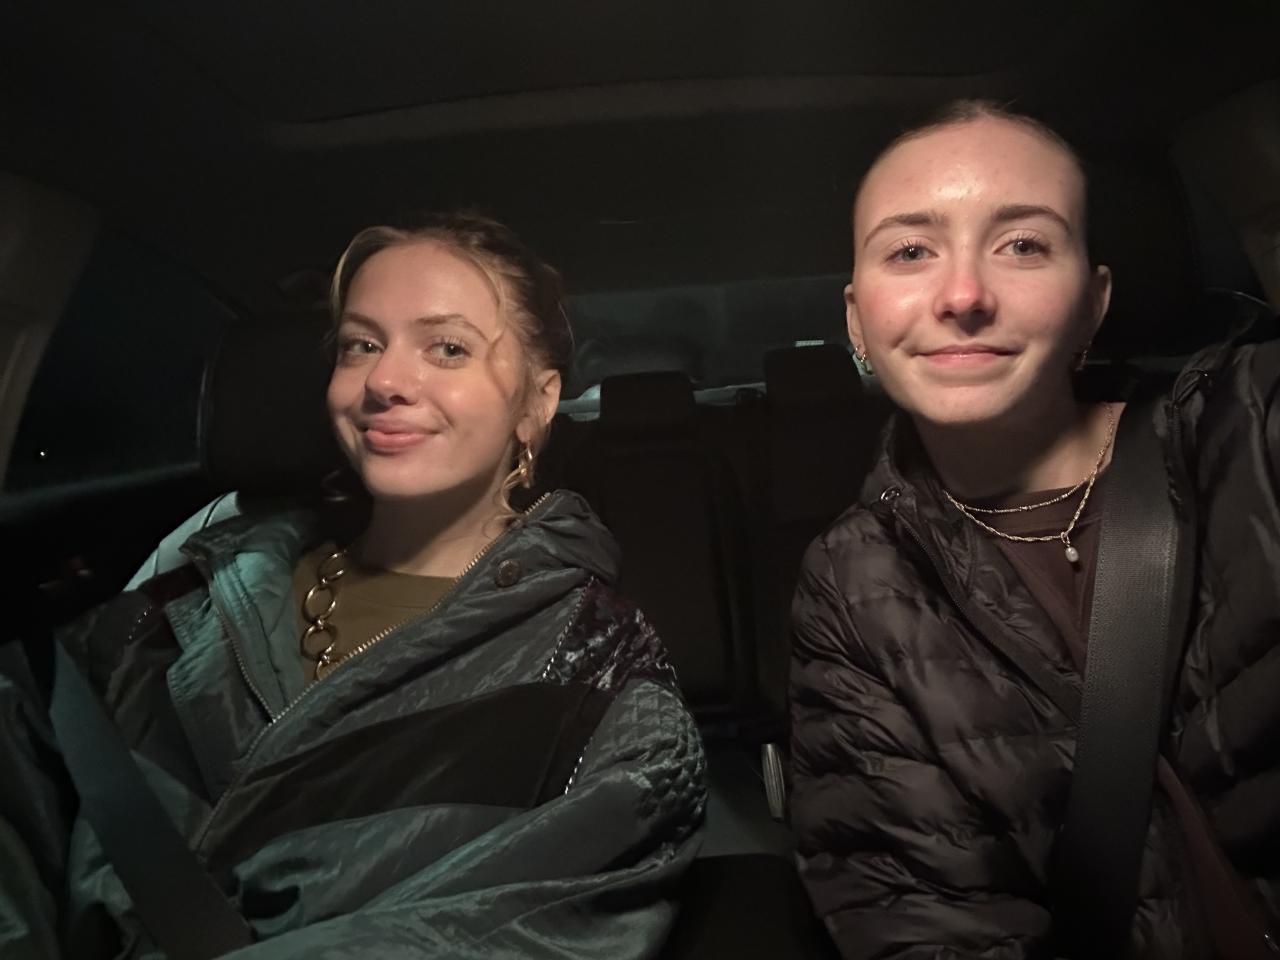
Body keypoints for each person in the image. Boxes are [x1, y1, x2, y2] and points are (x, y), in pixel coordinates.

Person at [0, 212, 706, 958]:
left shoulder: (601, 683)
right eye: (360, 345)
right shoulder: (176, 604)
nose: (384, 381)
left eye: (448, 348)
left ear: (536, 402)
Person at [788, 100, 1280, 958]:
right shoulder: (852, 583)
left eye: (1022, 245)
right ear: (857, 320)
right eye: (910, 251)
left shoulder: (1250, 428)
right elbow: (924, 918)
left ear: (1094, 302)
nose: (964, 296)